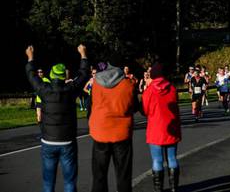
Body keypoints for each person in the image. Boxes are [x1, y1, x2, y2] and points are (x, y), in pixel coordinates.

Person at [25, 44, 89, 192]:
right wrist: (83, 54)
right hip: (67, 141)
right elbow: (84, 73)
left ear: (52, 76)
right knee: (69, 183)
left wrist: (30, 57)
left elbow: (31, 75)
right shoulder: (71, 89)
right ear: (63, 76)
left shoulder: (44, 89)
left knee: (48, 183)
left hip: (48, 141)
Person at [89, 59, 138, 192]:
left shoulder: (96, 84)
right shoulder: (128, 84)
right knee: (123, 175)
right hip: (121, 133)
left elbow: (91, 105)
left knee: (99, 175)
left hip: (100, 132)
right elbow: (134, 107)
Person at [142, 63, 181, 192]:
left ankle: (159, 189)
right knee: (172, 158)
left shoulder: (149, 90)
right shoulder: (172, 88)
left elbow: (146, 110)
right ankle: (174, 188)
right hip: (171, 127)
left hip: (155, 128)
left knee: (157, 160)